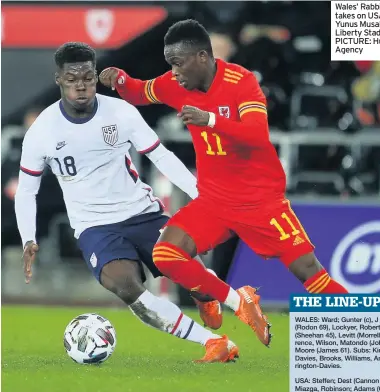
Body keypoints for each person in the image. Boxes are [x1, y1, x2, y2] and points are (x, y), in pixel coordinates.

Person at [100, 19, 350, 346]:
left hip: (260, 201)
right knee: (166, 254)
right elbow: (139, 91)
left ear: (202, 57)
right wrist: (120, 79)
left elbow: (257, 136)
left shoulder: (241, 82)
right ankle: (228, 299)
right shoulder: (176, 83)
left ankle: (369, 335)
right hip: (215, 202)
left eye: (178, 63)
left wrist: (212, 120)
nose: (173, 72)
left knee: (309, 271)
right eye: (170, 64)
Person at [14, 42, 240, 363]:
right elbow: (26, 189)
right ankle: (212, 342)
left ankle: (205, 296)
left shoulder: (120, 111)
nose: (81, 85)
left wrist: (201, 194)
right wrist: (28, 237)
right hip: (94, 227)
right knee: (127, 288)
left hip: (142, 214)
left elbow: (160, 155)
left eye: (88, 78)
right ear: (58, 79)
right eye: (72, 78)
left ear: (96, 77)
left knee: (192, 272)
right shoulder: (42, 132)